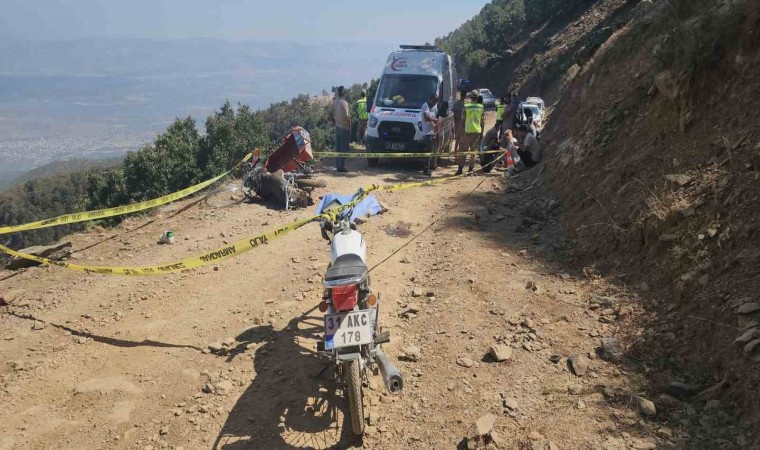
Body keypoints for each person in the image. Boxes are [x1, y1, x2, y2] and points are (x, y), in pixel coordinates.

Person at [456, 90, 484, 175]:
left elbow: (462, 121)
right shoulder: (480, 107)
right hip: (477, 132)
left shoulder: (466, 106)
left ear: (471, 97)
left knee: (463, 151)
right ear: (477, 97)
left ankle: (460, 170)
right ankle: (470, 170)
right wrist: (482, 133)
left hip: (468, 132)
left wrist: (458, 132)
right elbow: (482, 122)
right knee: (473, 153)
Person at [330, 86, 351, 172]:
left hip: (337, 126)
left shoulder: (335, 102)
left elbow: (330, 113)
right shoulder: (344, 103)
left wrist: (334, 121)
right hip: (344, 127)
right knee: (343, 148)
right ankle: (341, 167)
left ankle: (337, 165)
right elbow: (347, 116)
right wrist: (349, 126)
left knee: (338, 147)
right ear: (344, 93)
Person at [421, 94, 439, 176]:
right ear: (430, 99)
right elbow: (426, 118)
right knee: (428, 151)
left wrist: (436, 126)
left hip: (432, 133)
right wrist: (434, 120)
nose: (434, 103)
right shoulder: (425, 106)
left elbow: (434, 118)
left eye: (436, 101)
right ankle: (426, 169)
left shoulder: (434, 107)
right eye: (434, 101)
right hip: (427, 133)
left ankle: (428, 168)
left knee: (431, 151)